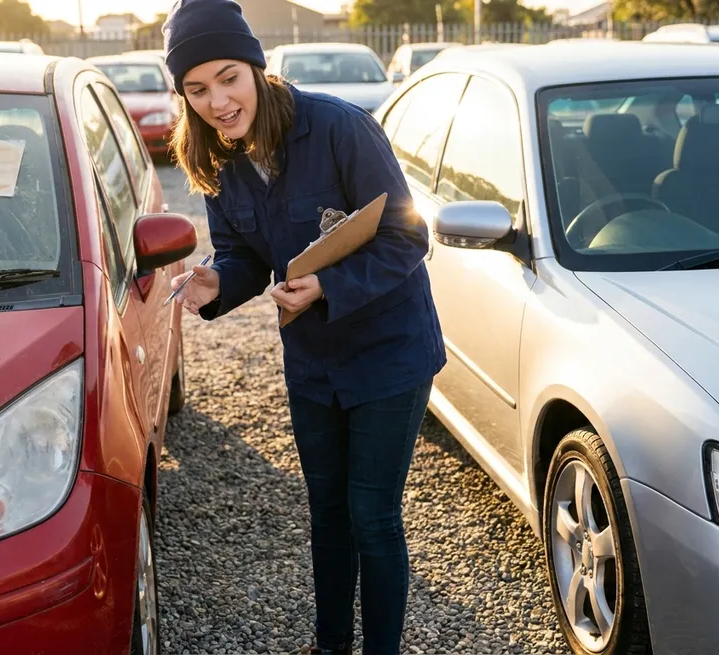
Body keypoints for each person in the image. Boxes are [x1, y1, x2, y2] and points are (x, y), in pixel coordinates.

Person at [161, 1, 446, 653]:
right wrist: (216, 282)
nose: (218, 101)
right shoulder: (213, 159)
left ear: (256, 67)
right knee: (328, 516)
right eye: (197, 89)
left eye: (228, 77)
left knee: (372, 517)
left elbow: (408, 235)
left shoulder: (341, 128)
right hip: (313, 362)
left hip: (388, 356)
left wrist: (328, 285)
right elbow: (242, 256)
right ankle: (329, 644)